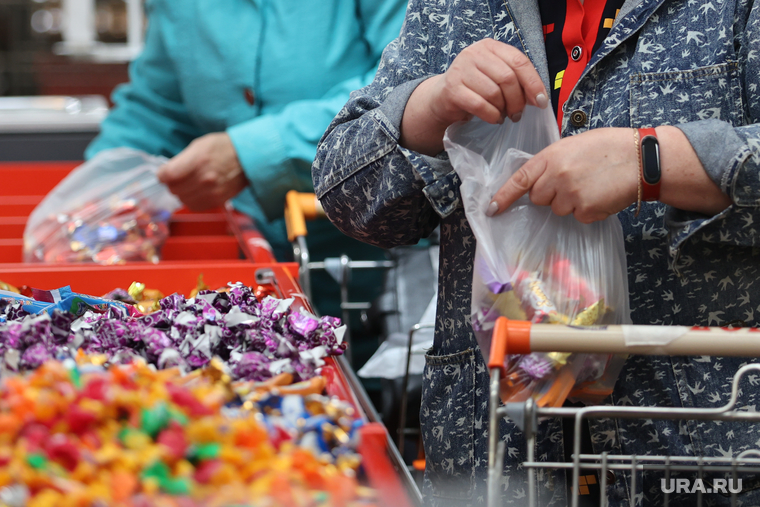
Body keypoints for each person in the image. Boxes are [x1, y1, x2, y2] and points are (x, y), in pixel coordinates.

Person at [313, 0, 760, 505]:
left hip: (703, 445)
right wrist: (432, 102)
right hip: (493, 457)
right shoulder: (458, 9)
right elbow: (347, 195)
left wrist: (655, 161)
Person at [85, 0, 408, 330]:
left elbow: (407, 84)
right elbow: (158, 109)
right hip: (245, 260)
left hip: (380, 265)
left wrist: (252, 152)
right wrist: (98, 190)